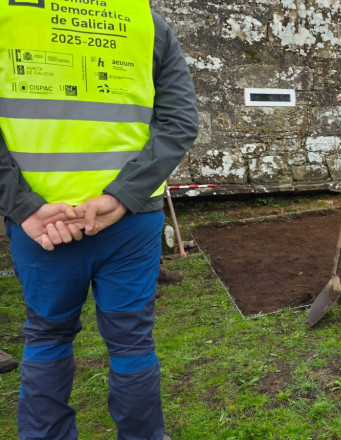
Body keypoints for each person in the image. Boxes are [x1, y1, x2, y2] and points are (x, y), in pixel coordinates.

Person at [0, 2, 198, 439]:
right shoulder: (144, 21)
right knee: (132, 341)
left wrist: (21, 204)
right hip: (128, 218)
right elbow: (179, 121)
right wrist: (123, 196)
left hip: (45, 224)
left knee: (47, 337)